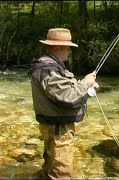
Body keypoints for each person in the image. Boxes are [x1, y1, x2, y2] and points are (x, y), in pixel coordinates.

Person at [28, 28, 99, 179]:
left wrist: (87, 89)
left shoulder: (50, 67)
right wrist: (86, 82)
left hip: (54, 126)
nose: (69, 52)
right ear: (57, 48)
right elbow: (68, 97)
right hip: (58, 129)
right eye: (67, 48)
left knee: (50, 166)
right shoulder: (49, 71)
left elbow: (65, 92)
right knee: (61, 174)